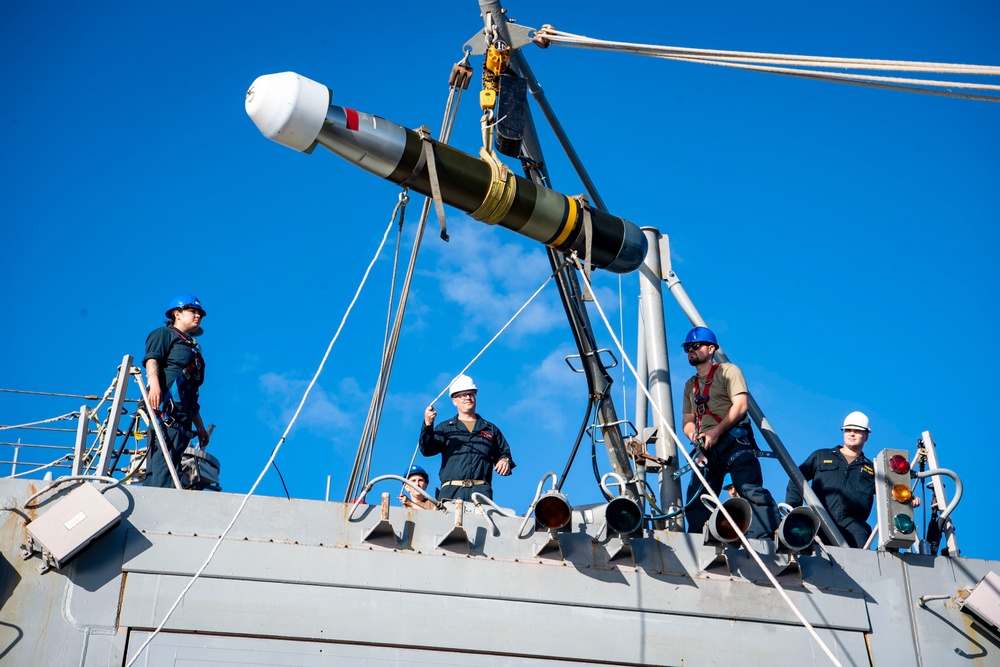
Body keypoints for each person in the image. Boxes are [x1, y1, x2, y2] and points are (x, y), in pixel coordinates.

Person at [681, 326, 779, 538]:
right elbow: (688, 421)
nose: (691, 350)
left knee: (750, 490)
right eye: (688, 347)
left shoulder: (728, 372)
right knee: (697, 498)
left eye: (696, 346)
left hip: (734, 441)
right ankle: (698, 540)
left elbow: (740, 405)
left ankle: (767, 541)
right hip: (707, 446)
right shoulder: (690, 385)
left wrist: (716, 432)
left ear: (711, 349)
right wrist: (693, 436)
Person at [785, 411, 918, 548]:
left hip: (854, 526)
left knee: (861, 561)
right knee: (808, 557)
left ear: (866, 436)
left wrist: (909, 499)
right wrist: (794, 512)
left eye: (857, 431)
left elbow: (891, 492)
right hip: (819, 519)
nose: (852, 434)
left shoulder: (873, 470)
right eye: (848, 430)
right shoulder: (821, 456)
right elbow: (796, 480)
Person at [143, 294, 210, 488]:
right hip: (165, 407)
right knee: (163, 461)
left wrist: (200, 426)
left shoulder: (194, 348)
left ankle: (164, 497)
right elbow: (152, 360)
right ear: (177, 314)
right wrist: (154, 386)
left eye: (200, 314)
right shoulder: (164, 334)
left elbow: (191, 391)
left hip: (184, 412)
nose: (197, 316)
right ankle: (157, 502)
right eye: (192, 311)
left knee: (173, 462)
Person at [419, 374, 514, 501]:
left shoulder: (490, 429)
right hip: (451, 492)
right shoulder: (445, 428)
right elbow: (427, 449)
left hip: (481, 493)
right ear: (454, 400)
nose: (468, 398)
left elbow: (504, 452)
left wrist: (504, 460)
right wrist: (428, 424)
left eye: (471, 394)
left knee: (481, 521)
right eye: (462, 395)